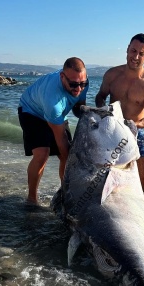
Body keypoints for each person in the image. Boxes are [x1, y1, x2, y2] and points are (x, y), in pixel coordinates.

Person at [18, 57, 89, 205]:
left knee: (67, 156)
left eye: (82, 83)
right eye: (74, 84)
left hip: (56, 115)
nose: (79, 89)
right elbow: (61, 140)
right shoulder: (54, 103)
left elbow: (78, 108)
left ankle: (66, 196)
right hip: (31, 111)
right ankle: (32, 199)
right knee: (43, 154)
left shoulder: (82, 83)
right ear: (62, 77)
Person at [95, 33, 144, 192]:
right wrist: (103, 111)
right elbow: (100, 96)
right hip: (111, 129)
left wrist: (133, 125)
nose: (136, 56)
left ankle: (139, 203)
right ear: (127, 49)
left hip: (134, 131)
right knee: (100, 171)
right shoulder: (112, 74)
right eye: (133, 51)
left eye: (141, 53)